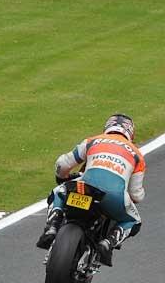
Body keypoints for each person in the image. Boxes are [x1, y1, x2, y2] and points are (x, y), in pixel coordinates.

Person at [36, 114, 145, 267]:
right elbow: (136, 194)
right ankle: (108, 243)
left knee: (58, 192)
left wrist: (62, 178)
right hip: (113, 196)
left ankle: (52, 227)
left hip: (83, 187)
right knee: (133, 220)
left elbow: (62, 164)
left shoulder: (92, 141)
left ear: (107, 128)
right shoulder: (137, 155)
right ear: (130, 133)